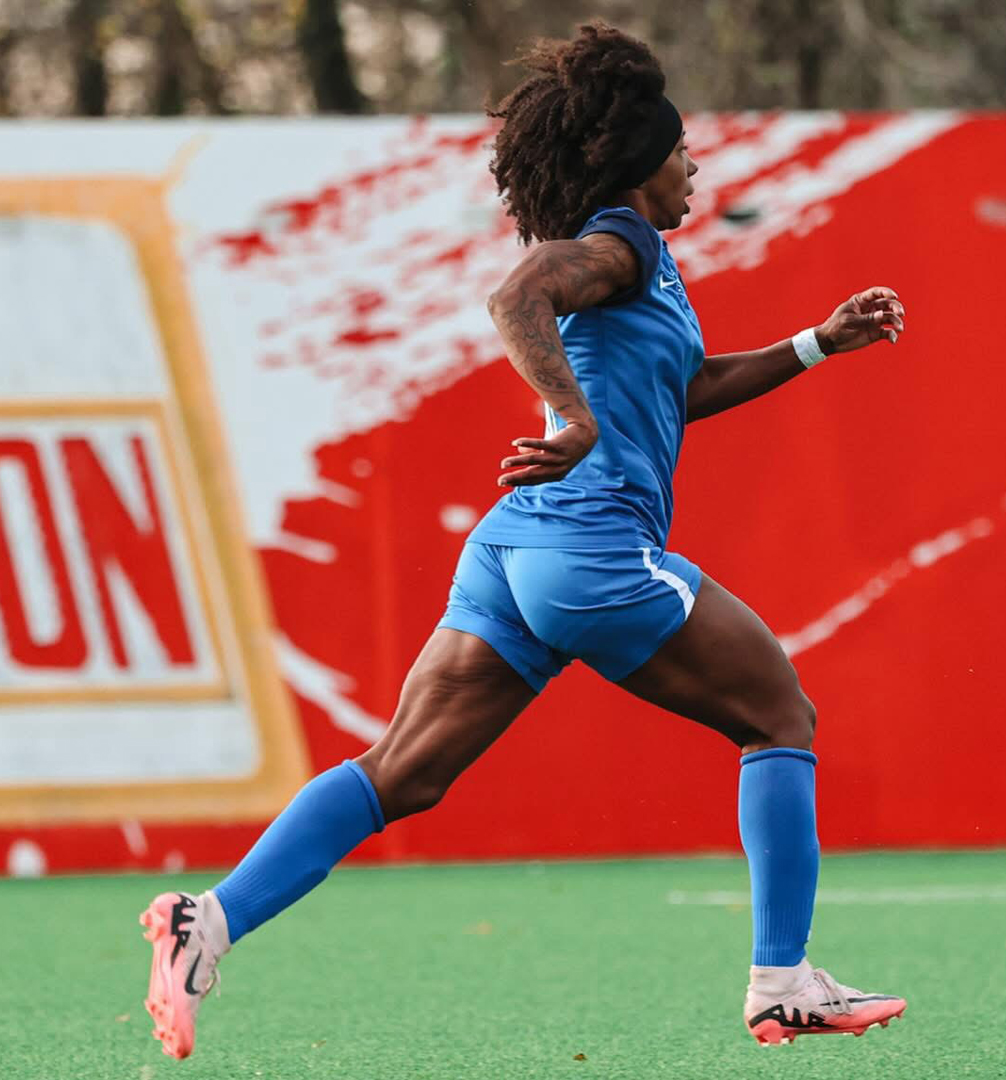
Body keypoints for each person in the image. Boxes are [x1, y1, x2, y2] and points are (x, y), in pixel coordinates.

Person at [140, 21, 908, 1059]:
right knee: (779, 715)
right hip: (593, 549)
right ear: (641, 165)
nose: (694, 166)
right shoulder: (621, 242)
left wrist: (817, 343)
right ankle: (784, 982)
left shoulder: (644, 262)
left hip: (515, 553)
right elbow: (517, 296)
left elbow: (685, 389)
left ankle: (209, 923)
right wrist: (574, 417)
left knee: (403, 772)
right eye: (681, 150)